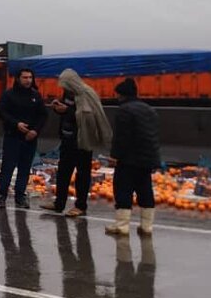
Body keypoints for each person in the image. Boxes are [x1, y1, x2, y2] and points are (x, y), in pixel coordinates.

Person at [40, 68, 112, 216]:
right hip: (67, 138)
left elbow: (88, 116)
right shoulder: (68, 93)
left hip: (82, 140)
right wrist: (58, 107)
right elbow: (67, 109)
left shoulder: (86, 94)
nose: (65, 89)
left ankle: (81, 206)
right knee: (63, 172)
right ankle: (58, 203)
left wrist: (67, 110)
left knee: (82, 174)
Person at [105, 78, 160, 236]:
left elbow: (121, 137)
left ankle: (122, 226)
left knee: (123, 190)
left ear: (122, 95)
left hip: (129, 159)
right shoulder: (149, 109)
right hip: (147, 158)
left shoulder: (124, 110)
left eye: (117, 94)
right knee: (145, 190)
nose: (117, 97)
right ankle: (147, 227)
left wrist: (115, 155)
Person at [0, 68, 47, 209]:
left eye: (30, 77)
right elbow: (2, 113)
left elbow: (43, 115)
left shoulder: (36, 96)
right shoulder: (8, 95)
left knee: (25, 168)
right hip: (13, 136)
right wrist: (16, 124)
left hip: (30, 138)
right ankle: (1, 195)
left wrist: (35, 130)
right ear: (18, 79)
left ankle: (20, 196)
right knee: (8, 167)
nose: (28, 80)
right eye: (25, 77)